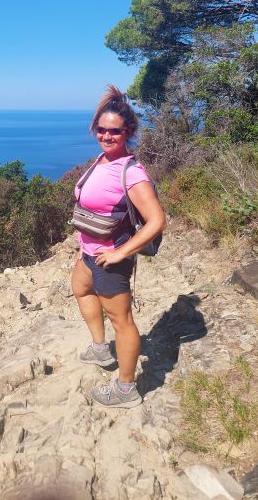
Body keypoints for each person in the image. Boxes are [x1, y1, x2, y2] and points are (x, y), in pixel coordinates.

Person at [71, 85, 166, 408]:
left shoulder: (132, 172)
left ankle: (126, 389)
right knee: (81, 289)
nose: (107, 136)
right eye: (101, 129)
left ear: (128, 132)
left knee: (121, 321)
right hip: (89, 251)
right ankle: (100, 348)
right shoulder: (102, 159)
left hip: (110, 257)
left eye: (114, 131)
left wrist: (121, 253)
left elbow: (156, 221)